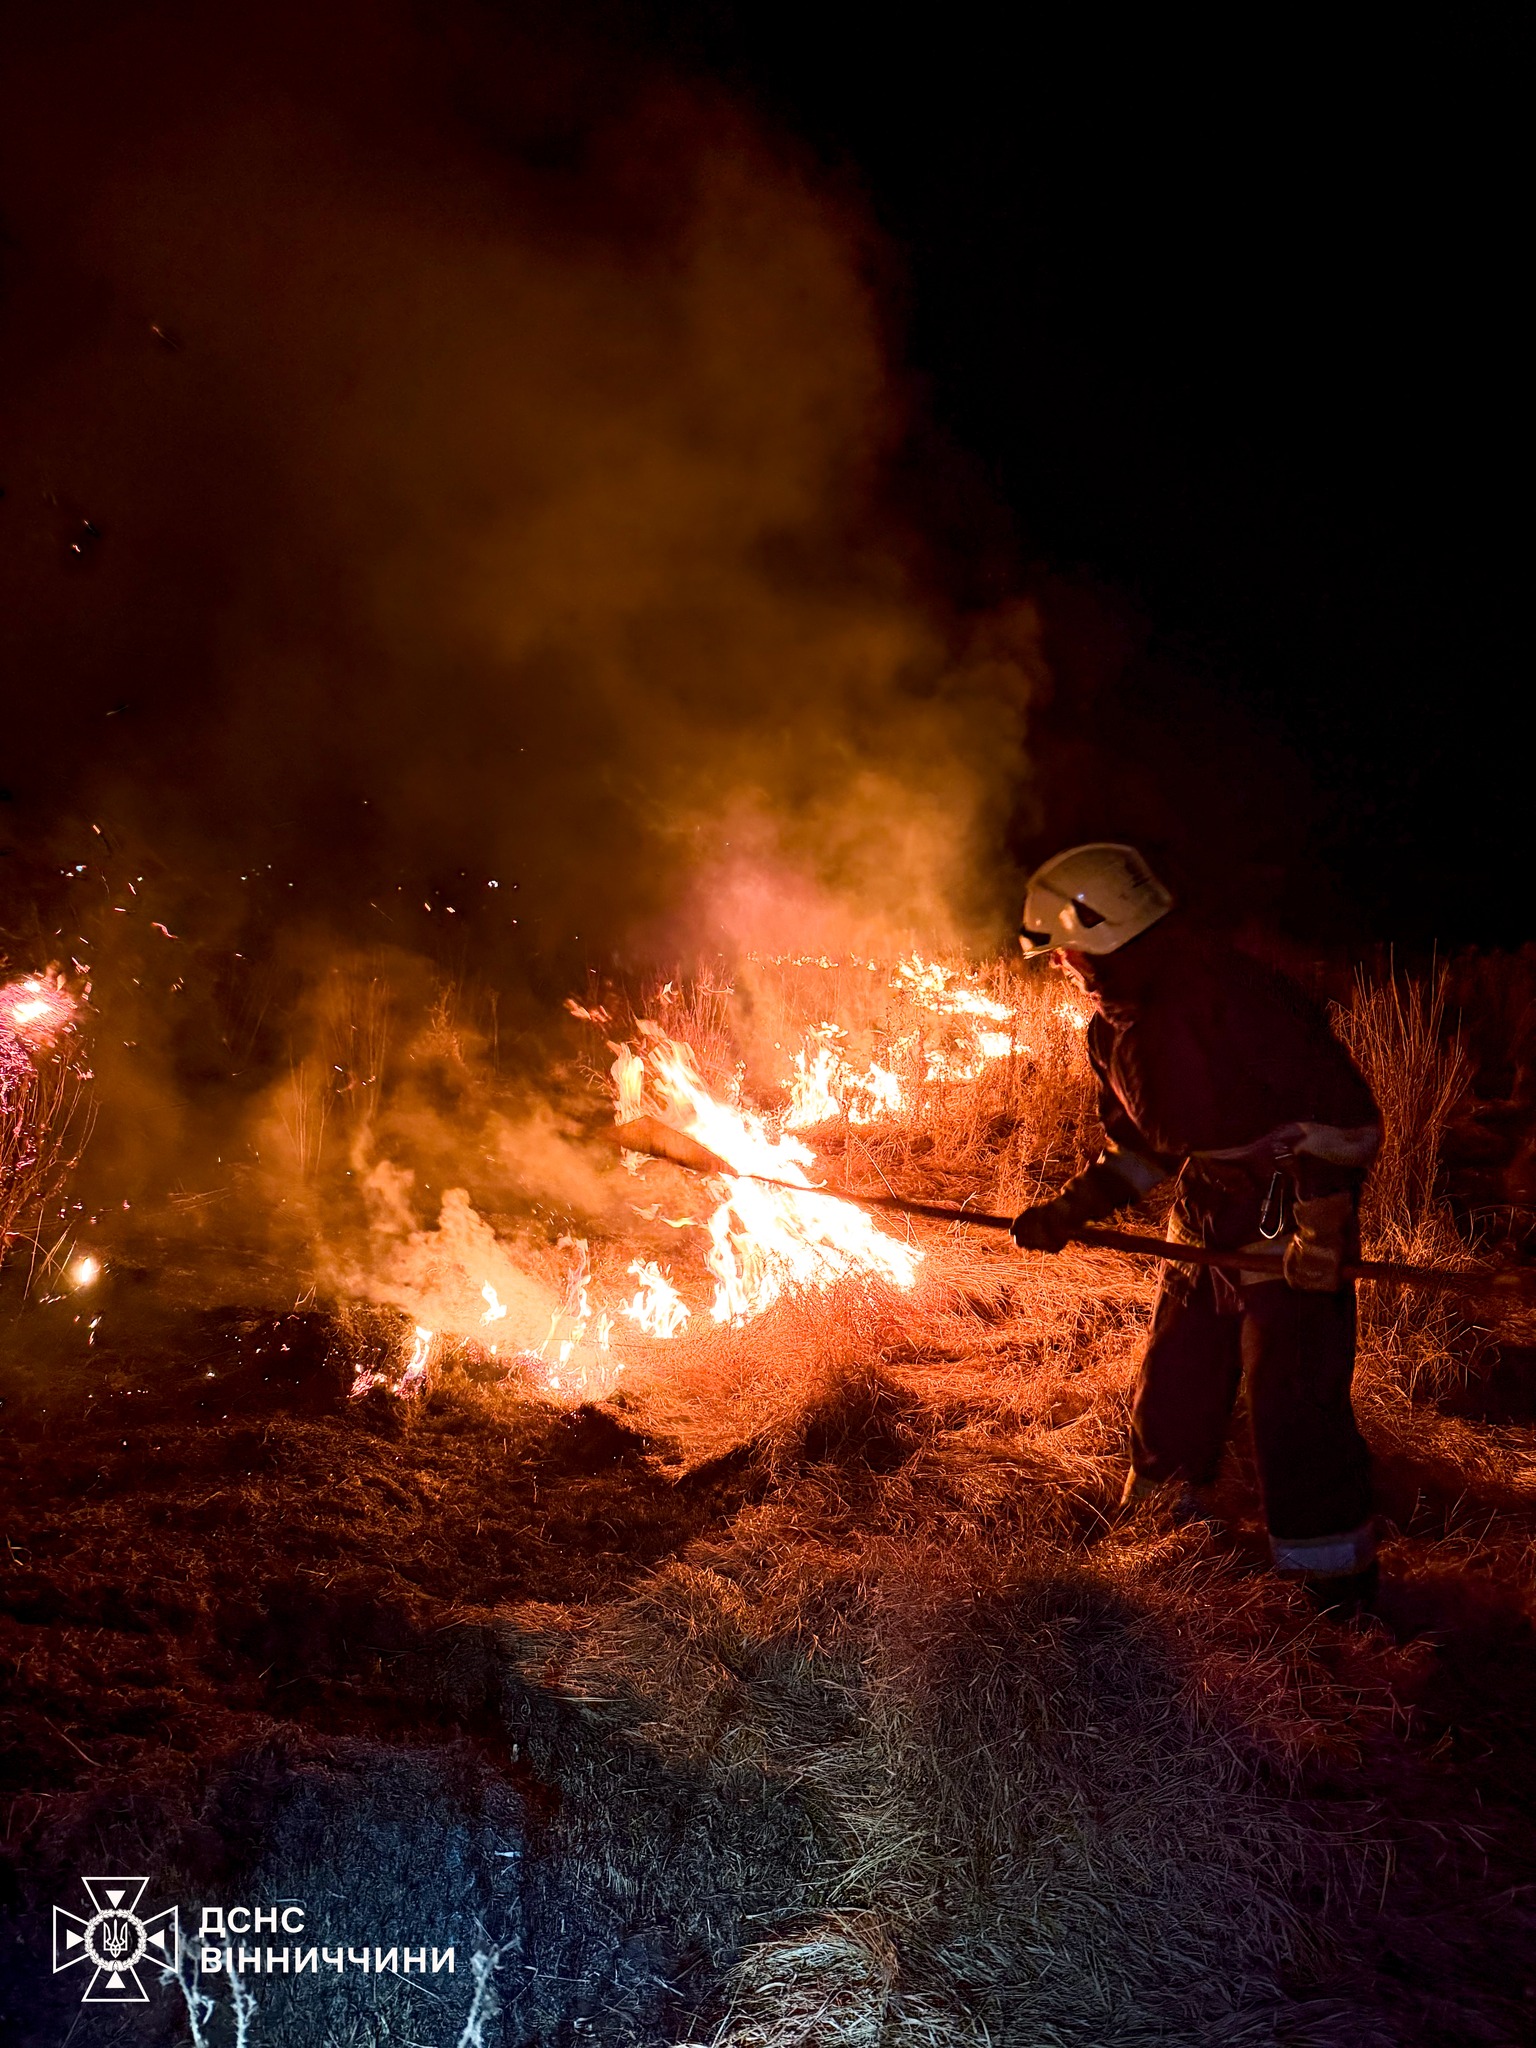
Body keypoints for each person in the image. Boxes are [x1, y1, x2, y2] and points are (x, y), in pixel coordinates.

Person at [1011, 843, 1382, 1613]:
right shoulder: (1112, 1030)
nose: (1059, 965)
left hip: (1288, 1216)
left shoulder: (1234, 997)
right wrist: (1067, 1213)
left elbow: (1344, 1116)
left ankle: (1329, 1590)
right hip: (1205, 1215)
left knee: (1293, 1404)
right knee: (1176, 1380)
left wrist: (1320, 1221)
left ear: (1100, 937)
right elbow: (1147, 1151)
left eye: (1064, 948)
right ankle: (1156, 1537)